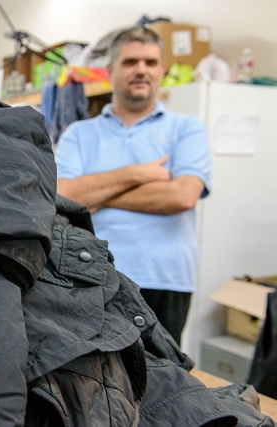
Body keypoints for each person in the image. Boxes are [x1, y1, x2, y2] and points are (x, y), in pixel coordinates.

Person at [54, 26, 212, 344]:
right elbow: (63, 195)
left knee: (165, 383)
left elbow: (182, 195)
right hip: (90, 274)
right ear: (110, 71)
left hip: (165, 279)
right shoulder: (78, 133)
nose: (141, 70)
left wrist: (99, 192)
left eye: (151, 63)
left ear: (162, 70)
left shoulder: (188, 128)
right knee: (94, 383)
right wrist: (138, 173)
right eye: (130, 62)